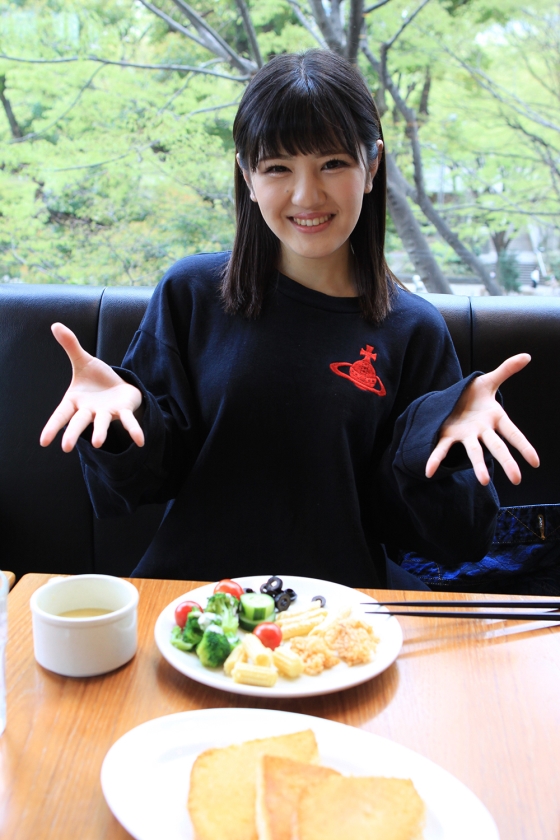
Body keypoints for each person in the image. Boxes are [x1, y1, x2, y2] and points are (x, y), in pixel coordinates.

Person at [40, 51, 539, 590]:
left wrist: (441, 447)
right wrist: (119, 421)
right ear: (247, 175)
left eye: (333, 164)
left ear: (372, 165)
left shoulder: (412, 330)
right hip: (197, 602)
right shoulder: (192, 294)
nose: (306, 195)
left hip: (342, 615)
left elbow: (455, 539)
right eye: (277, 167)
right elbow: (141, 484)